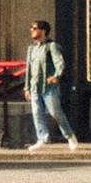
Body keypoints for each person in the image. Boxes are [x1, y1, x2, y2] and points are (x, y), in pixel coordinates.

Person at [24, 15, 74, 149]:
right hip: (35, 86)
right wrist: (27, 87)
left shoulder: (52, 46)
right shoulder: (31, 49)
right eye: (31, 28)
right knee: (37, 113)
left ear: (43, 31)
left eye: (34, 28)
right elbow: (29, 69)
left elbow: (60, 63)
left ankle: (69, 135)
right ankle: (42, 138)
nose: (31, 30)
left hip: (49, 87)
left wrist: (56, 76)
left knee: (55, 112)